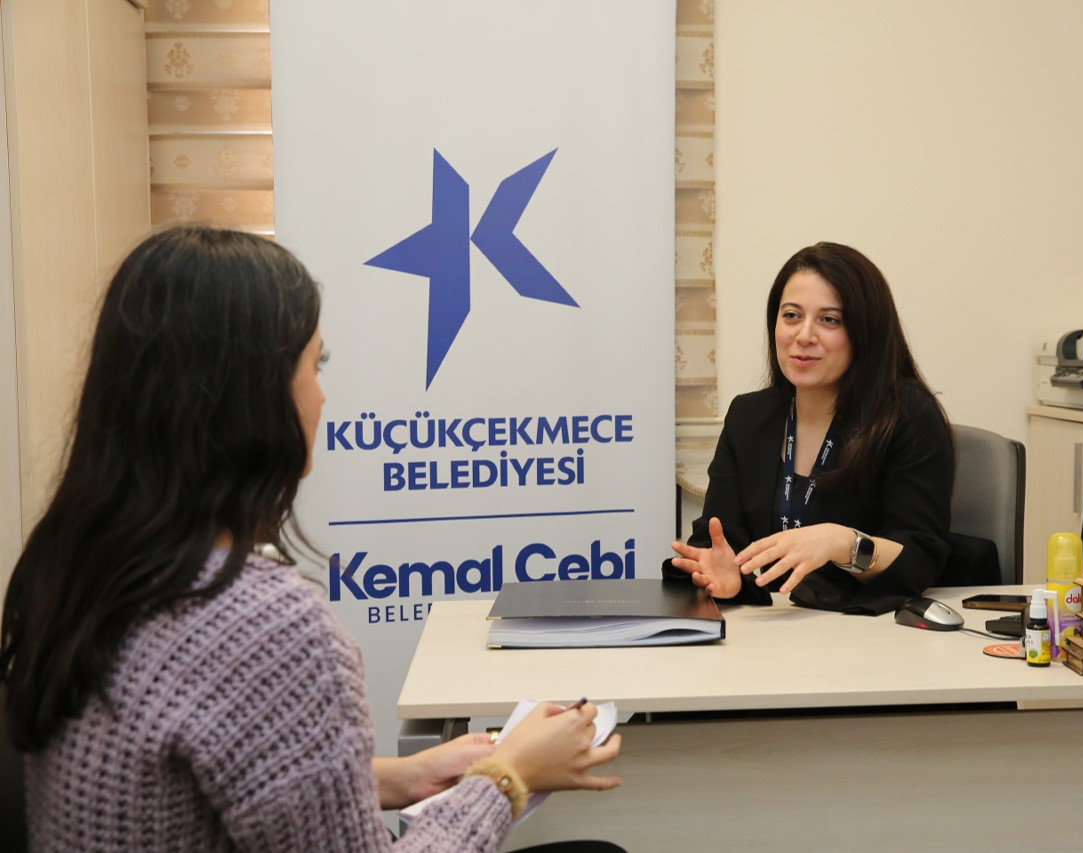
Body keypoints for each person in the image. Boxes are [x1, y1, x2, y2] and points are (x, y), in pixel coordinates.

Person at [0, 225, 622, 851]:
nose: (322, 396)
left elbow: (180, 791)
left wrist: (403, 777)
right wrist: (507, 778)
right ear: (251, 394)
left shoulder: (72, 571)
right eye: (314, 364)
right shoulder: (262, 627)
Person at [664, 241, 954, 613]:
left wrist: (843, 543)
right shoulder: (749, 416)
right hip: (776, 630)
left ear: (866, 331)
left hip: (872, 632)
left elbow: (920, 557)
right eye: (791, 316)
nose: (804, 336)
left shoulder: (907, 415)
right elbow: (717, 539)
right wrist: (727, 579)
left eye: (829, 320)